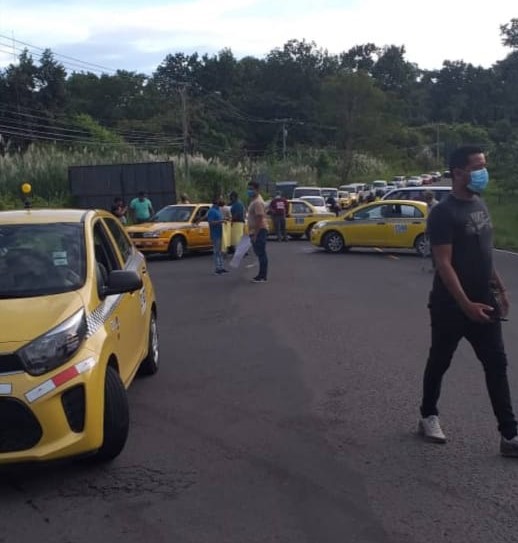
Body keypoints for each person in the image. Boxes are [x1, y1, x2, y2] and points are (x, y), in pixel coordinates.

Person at [418, 145, 518, 457]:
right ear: (458, 172)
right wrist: (465, 305)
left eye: (483, 165)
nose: (483, 172)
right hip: (451, 305)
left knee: (496, 364)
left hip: (483, 300)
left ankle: (510, 435)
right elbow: (444, 264)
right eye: (477, 167)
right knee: (440, 360)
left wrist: (499, 289)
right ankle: (428, 414)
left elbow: (484, 255)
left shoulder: (480, 204)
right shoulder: (443, 213)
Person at [247, 181, 268, 283]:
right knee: (260, 253)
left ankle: (262, 276)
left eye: (251, 189)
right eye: (249, 189)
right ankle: (261, 275)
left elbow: (260, 218)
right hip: (256, 230)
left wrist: (255, 234)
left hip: (259, 230)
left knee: (261, 253)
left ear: (257, 190)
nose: (249, 191)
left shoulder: (257, 202)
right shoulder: (254, 200)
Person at [207, 199, 228, 275]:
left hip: (221, 233)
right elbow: (211, 222)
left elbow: (219, 219)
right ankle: (217, 268)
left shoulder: (218, 210)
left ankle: (221, 267)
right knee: (216, 251)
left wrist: (224, 220)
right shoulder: (212, 211)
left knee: (220, 251)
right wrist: (220, 222)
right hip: (215, 234)